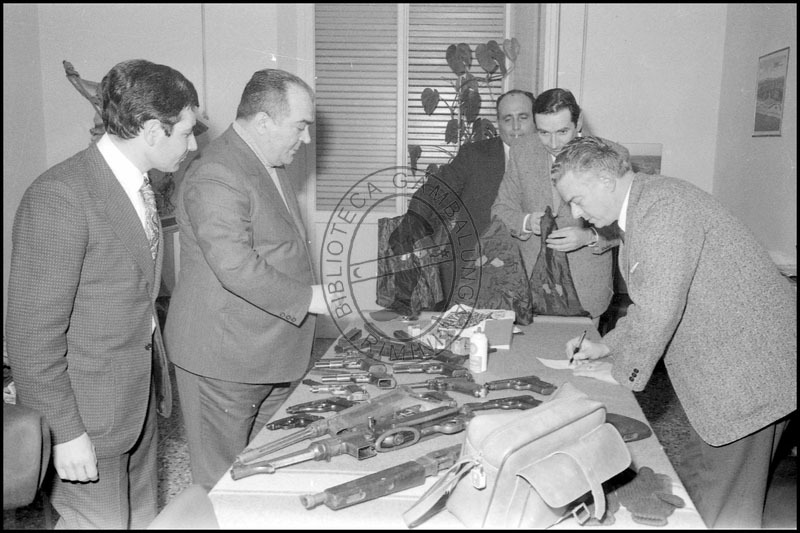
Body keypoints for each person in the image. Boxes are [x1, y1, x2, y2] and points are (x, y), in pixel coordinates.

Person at [555, 136, 797, 528]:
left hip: (750, 376)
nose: (576, 213)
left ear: (605, 181)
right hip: (735, 372)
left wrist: (621, 374)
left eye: (577, 200)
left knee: (724, 507)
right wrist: (607, 347)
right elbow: (650, 302)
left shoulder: (664, 208)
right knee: (692, 484)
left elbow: (659, 309)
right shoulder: (647, 205)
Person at [6, 59, 200, 528]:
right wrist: (66, 432)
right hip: (86, 418)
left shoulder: (137, 186)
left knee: (142, 519)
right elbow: (31, 338)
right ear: (152, 130)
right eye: (186, 132)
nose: (193, 145)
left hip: (133, 405)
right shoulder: (61, 196)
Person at [164, 68, 329, 489]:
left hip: (268, 353)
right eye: (300, 126)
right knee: (220, 485)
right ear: (263, 122)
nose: (307, 138)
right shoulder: (217, 171)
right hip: (225, 359)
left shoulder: (265, 159)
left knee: (260, 473)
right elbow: (235, 265)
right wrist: (311, 298)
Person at [388, 89, 536, 312]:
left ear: (535, 119)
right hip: (472, 272)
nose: (515, 126)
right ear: (499, 123)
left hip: (531, 274)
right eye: (508, 119)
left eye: (523, 117)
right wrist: (414, 221)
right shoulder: (475, 155)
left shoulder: (551, 157)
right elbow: (437, 191)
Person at [492, 88, 629, 322]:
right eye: (544, 133)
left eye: (562, 131)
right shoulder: (521, 151)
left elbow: (628, 222)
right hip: (530, 290)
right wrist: (527, 222)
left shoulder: (613, 155)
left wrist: (589, 237)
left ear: (579, 122)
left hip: (585, 291)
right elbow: (500, 211)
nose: (554, 143)